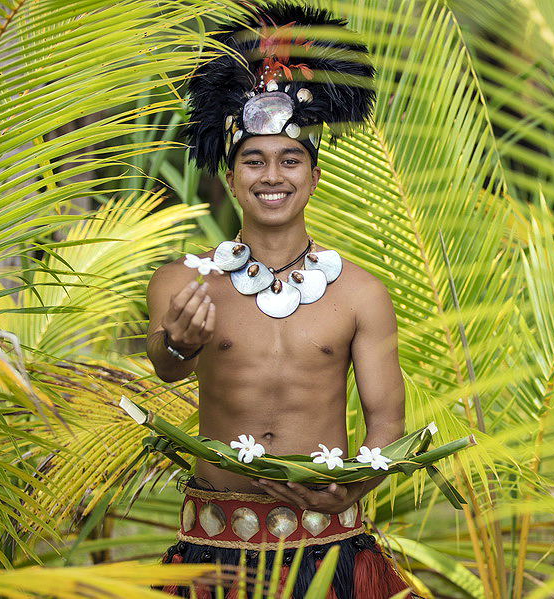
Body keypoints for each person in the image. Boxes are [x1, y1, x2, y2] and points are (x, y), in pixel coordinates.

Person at [145, 4, 413, 598]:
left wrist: (356, 486)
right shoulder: (183, 281)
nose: (273, 176)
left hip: (329, 551)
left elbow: (387, 420)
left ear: (313, 178)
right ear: (232, 177)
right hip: (215, 549)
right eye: (254, 161)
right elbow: (165, 367)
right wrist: (181, 344)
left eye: (290, 160)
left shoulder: (360, 293)